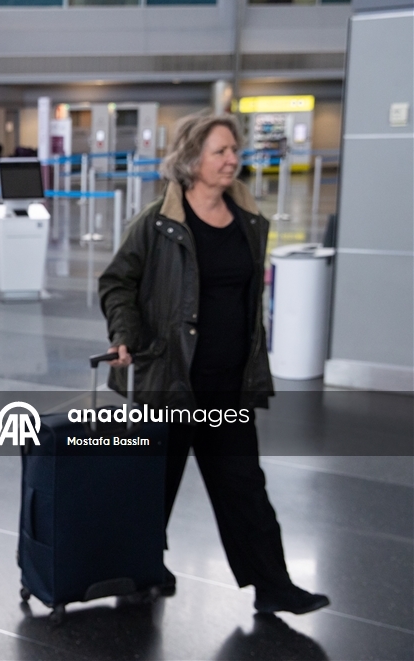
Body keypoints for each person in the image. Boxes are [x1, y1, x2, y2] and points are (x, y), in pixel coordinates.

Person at [98, 112, 330, 616]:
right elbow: (117, 282)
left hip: (227, 386)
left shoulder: (248, 222)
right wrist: (124, 335)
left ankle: (273, 585)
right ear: (190, 159)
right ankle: (140, 570)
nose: (232, 159)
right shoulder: (157, 223)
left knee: (244, 487)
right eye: (221, 151)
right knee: (154, 488)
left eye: (234, 150)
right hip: (170, 382)